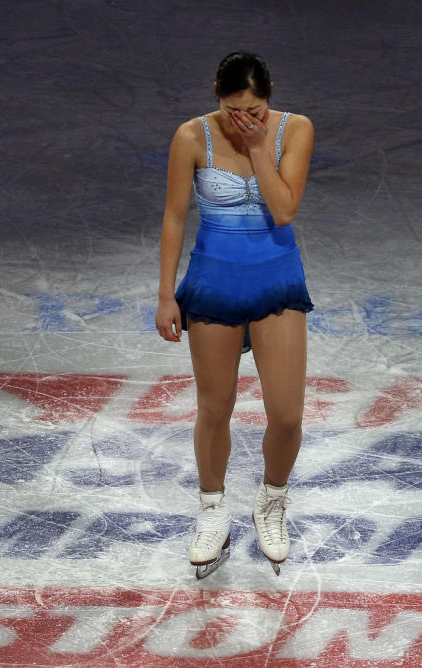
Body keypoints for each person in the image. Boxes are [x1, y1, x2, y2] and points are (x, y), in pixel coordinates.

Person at [154, 51, 314, 578]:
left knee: (287, 414)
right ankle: (212, 509)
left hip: (276, 283)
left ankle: (270, 500)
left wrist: (256, 147)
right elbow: (176, 217)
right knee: (215, 407)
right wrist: (165, 295)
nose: (244, 118)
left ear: (270, 94)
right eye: (232, 109)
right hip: (214, 285)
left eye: (255, 109)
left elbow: (284, 209)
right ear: (216, 95)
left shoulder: (294, 130)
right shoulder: (190, 137)